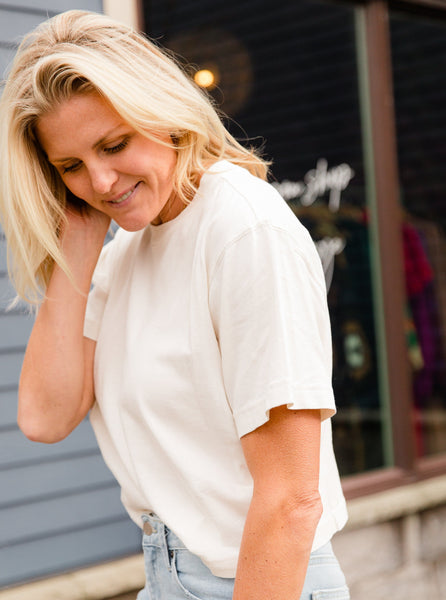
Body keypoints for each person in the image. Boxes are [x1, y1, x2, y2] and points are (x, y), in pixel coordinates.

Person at [0, 10, 349, 600]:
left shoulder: (242, 229)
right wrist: (79, 241)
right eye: (71, 167)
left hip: (259, 580)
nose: (102, 181)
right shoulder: (123, 249)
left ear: (163, 114)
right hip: (168, 576)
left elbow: (292, 500)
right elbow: (44, 416)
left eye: (114, 145)